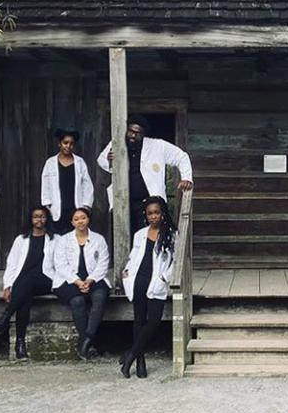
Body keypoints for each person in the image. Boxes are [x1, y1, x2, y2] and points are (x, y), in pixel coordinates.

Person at [97, 115, 192, 234]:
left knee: (151, 236)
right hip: (123, 201)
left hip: (148, 203)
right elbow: (101, 160)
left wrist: (187, 178)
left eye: (138, 133)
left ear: (143, 134)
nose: (133, 135)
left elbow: (181, 157)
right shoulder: (116, 143)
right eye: (131, 131)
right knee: (123, 237)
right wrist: (109, 160)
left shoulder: (158, 146)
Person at [0, 206, 58, 361]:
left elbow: (59, 264)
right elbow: (12, 264)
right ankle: (20, 345)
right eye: (35, 217)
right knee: (24, 297)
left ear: (47, 219)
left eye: (42, 217)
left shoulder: (55, 239)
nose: (39, 220)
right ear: (30, 219)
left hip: (47, 279)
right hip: (25, 283)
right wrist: (7, 286)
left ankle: (5, 318)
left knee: (28, 281)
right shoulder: (21, 240)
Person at [119, 196, 176, 378]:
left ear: (162, 213)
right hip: (139, 279)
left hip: (156, 280)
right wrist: (126, 271)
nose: (153, 216)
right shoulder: (140, 234)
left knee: (154, 321)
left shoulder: (171, 234)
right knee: (139, 321)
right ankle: (140, 361)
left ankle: (130, 355)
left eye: (156, 212)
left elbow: (176, 261)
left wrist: (164, 277)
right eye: (150, 213)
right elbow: (133, 256)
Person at [52, 208, 111, 360]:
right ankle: (88, 343)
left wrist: (90, 280)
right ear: (72, 222)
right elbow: (60, 265)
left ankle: (86, 339)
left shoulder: (98, 239)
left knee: (100, 295)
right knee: (77, 301)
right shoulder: (63, 240)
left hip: (93, 279)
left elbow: (103, 263)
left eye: (83, 218)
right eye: (76, 219)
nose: (80, 221)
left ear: (88, 219)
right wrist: (78, 282)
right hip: (68, 280)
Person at [41, 129, 94, 235]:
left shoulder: (80, 162)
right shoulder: (50, 163)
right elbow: (45, 185)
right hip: (57, 209)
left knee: (75, 238)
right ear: (59, 144)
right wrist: (47, 205)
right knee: (57, 239)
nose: (68, 146)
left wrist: (85, 206)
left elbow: (87, 185)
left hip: (75, 207)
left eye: (71, 144)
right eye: (65, 143)